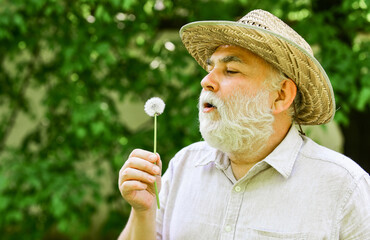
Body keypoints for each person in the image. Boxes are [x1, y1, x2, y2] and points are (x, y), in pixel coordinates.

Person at [117, 9, 370, 240]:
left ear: (281, 95)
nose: (207, 81)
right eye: (210, 68)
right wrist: (143, 211)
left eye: (231, 70)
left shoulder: (345, 186)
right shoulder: (184, 165)